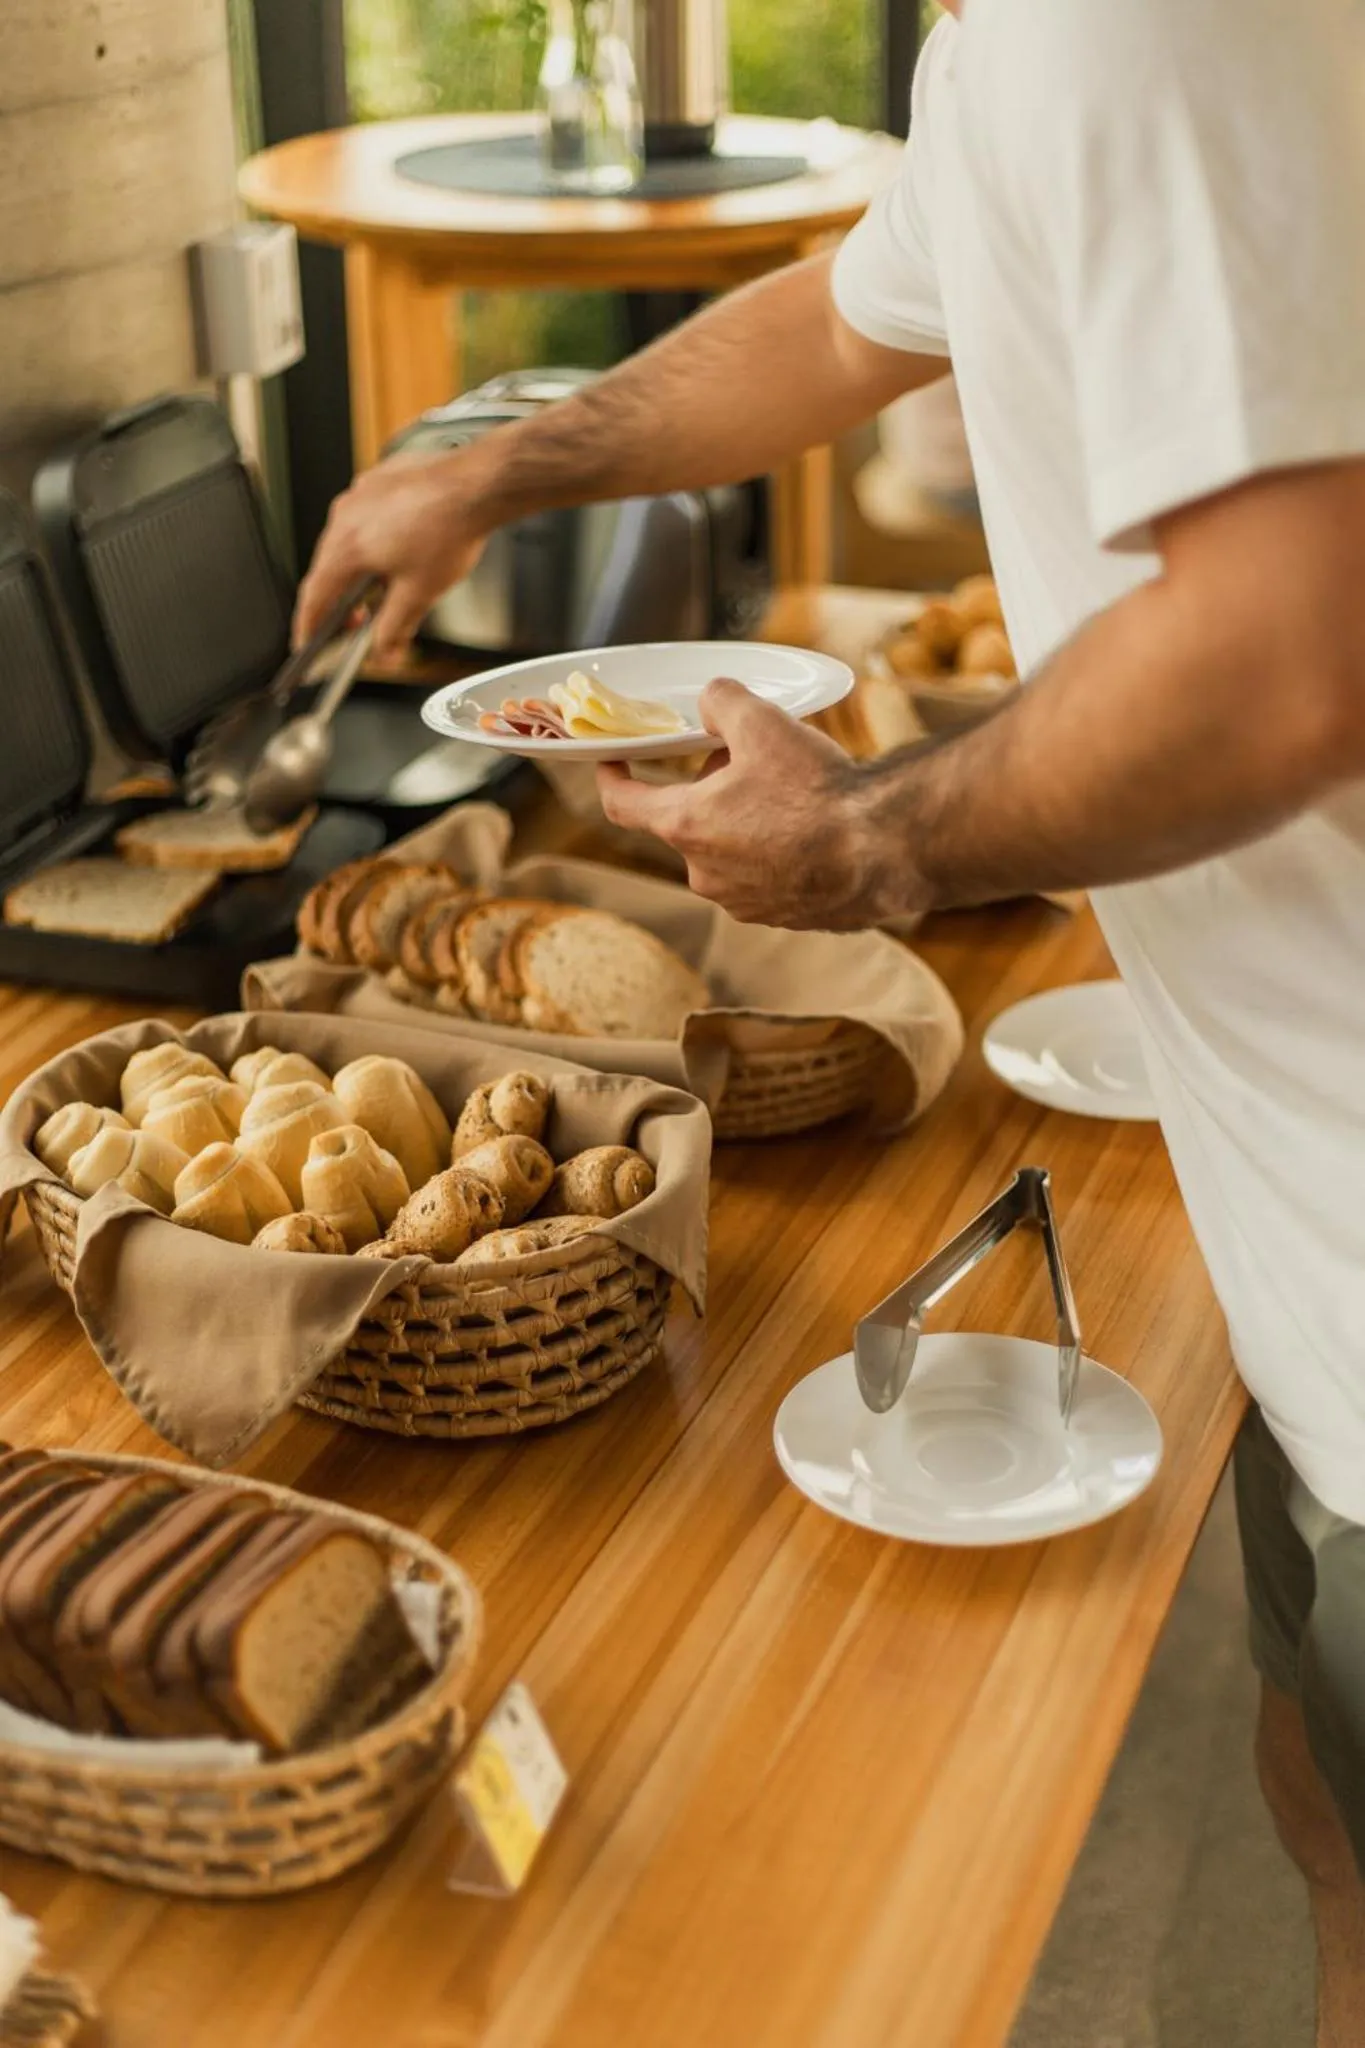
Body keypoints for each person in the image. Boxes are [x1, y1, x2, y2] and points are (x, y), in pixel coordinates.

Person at [297, 2, 1365, 2035]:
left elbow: (1275, 659)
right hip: (1308, 1244)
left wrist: (867, 840)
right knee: (1313, 1781)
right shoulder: (1014, 43)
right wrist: (499, 463)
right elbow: (849, 314)